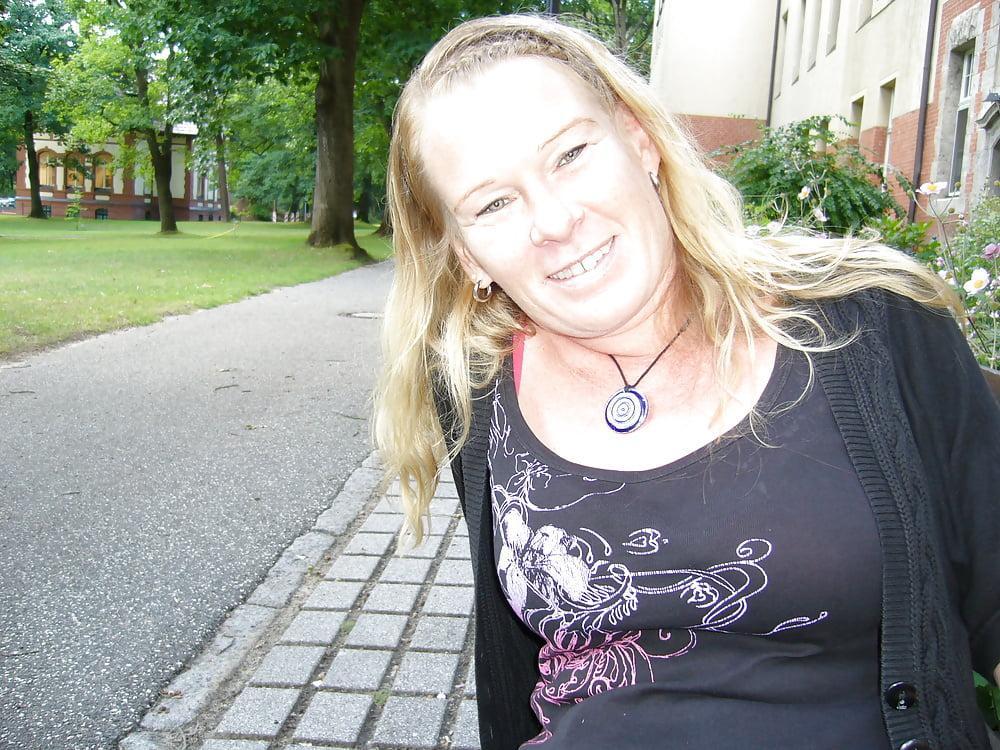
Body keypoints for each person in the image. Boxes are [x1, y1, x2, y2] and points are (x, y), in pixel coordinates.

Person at [373, 14, 1000, 750]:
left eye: (570, 154)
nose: (555, 221)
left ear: (640, 141)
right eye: (493, 204)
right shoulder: (477, 392)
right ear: (466, 254)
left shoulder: (877, 324)